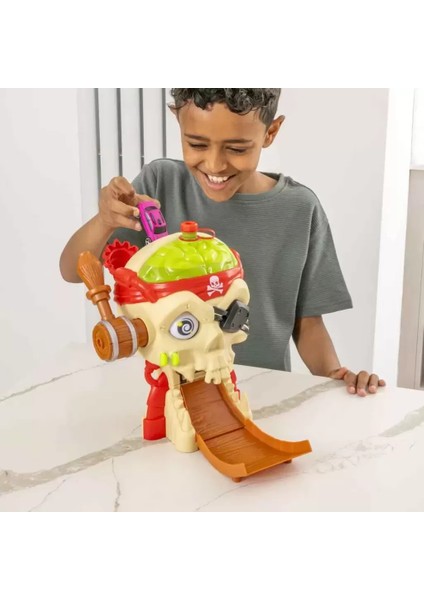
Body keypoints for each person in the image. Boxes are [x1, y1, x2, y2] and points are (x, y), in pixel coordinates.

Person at [60, 88, 385, 396]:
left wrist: (334, 377)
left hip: (262, 393)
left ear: (270, 132)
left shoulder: (300, 209)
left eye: (237, 148)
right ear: (178, 119)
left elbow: (308, 323)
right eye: (197, 144)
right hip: (169, 387)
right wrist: (105, 220)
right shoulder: (160, 184)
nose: (215, 165)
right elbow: (72, 270)